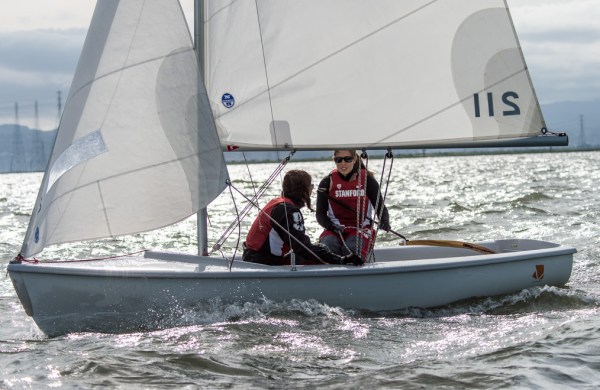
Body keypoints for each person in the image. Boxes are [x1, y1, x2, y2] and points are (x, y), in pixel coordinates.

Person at [243, 169, 363, 266]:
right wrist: (340, 260)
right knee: (321, 252)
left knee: (318, 251)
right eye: (310, 186)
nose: (312, 189)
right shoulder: (289, 211)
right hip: (265, 263)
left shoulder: (278, 204)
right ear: (304, 190)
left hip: (252, 259)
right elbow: (303, 247)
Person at [316, 150, 390, 258]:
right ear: (334, 160)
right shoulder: (327, 182)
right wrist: (331, 226)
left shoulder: (368, 180)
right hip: (335, 229)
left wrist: (384, 221)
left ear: (355, 159)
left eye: (348, 159)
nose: (343, 163)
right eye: (338, 160)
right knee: (328, 247)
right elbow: (320, 214)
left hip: (362, 228)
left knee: (351, 249)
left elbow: (381, 208)